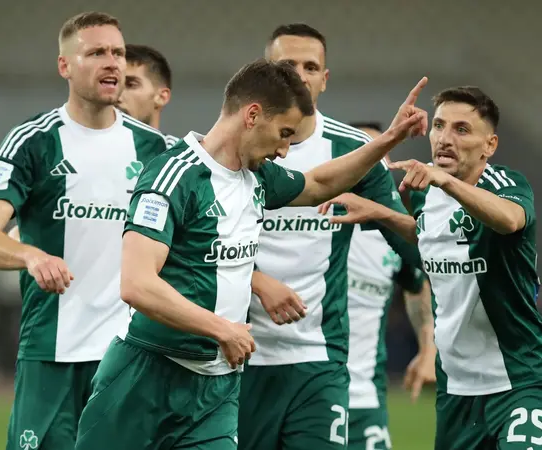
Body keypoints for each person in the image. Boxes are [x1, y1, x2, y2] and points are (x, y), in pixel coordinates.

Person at [73, 59, 428, 450]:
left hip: (215, 387)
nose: (284, 150)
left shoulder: (256, 176)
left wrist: (387, 140)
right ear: (253, 115)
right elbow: (137, 284)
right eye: (284, 134)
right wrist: (222, 328)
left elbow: (318, 183)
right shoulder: (173, 177)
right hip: (146, 376)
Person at [0, 12, 166, 450]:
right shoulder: (32, 141)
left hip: (125, 353)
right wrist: (31, 255)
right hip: (50, 351)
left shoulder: (154, 149)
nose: (111, 62)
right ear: (65, 65)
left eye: (118, 53)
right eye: (96, 53)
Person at [320, 86, 542, 449]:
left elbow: (510, 220)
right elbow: (428, 238)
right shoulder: (425, 194)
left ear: (489, 145)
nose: (445, 138)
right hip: (455, 390)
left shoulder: (505, 184)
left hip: (517, 381)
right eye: (439, 126)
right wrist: (380, 213)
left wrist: (448, 182)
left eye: (462, 129)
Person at [238, 24, 423, 450]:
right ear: (265, 73)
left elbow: (413, 249)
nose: (300, 76)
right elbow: (200, 246)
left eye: (311, 67)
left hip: (319, 357)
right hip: (242, 352)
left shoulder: (354, 151)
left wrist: (388, 211)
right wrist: (256, 280)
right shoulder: (237, 150)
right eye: (288, 65)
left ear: (325, 79)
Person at [343, 122, 436, 450]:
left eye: (381, 153)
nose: (372, 162)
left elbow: (417, 285)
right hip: (304, 391)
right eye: (364, 151)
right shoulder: (307, 223)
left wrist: (427, 348)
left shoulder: (393, 237)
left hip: (365, 398)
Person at [118, 44, 179, 148]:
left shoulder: (179, 153)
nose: (117, 95)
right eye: (114, 84)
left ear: (161, 97)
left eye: (130, 85)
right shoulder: (90, 151)